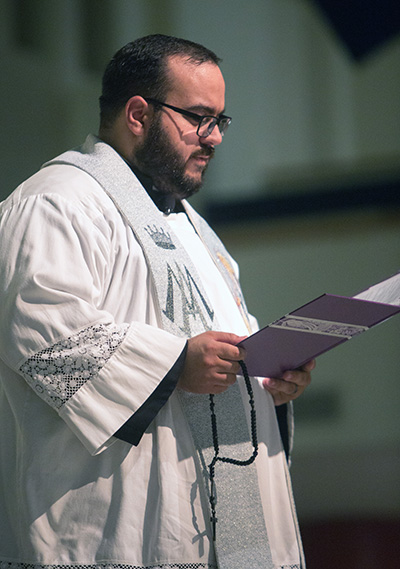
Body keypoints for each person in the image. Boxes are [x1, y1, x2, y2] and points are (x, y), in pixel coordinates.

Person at [0, 34, 314, 569]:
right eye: (198, 117)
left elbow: (220, 350)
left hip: (224, 532)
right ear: (138, 113)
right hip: (114, 530)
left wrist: (269, 378)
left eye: (221, 120)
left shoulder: (194, 231)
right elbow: (47, 343)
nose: (213, 137)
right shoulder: (54, 203)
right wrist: (175, 364)